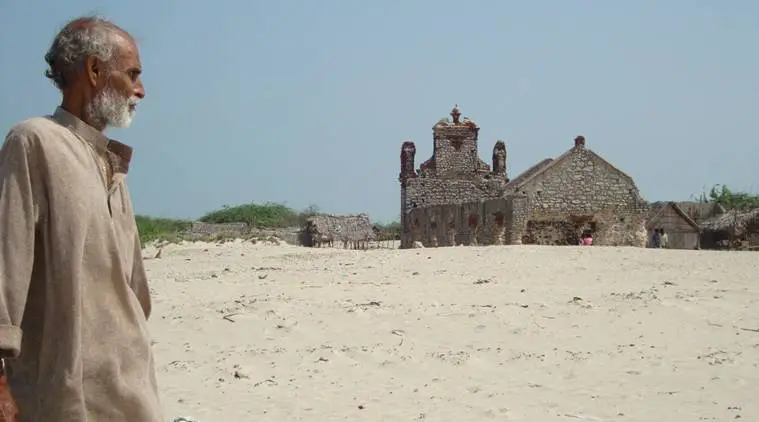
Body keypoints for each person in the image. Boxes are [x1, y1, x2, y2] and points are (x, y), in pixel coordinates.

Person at [0, 16, 162, 421]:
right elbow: (6, 269)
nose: (140, 90)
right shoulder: (34, 141)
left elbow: (134, 293)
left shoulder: (110, 162)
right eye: (132, 75)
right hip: (64, 395)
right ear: (94, 71)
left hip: (130, 390)